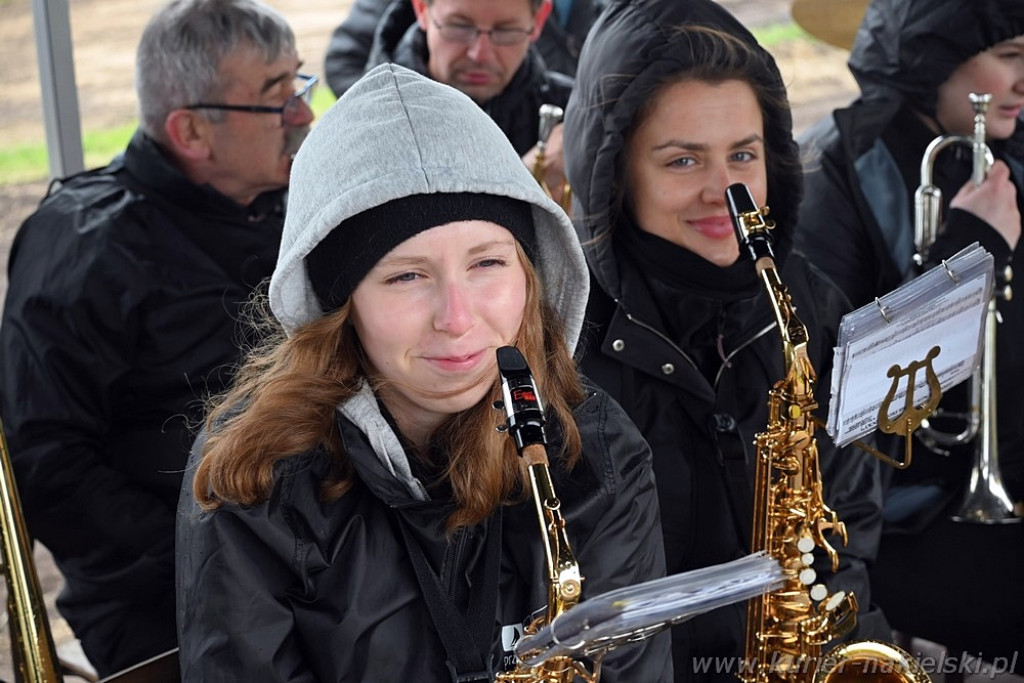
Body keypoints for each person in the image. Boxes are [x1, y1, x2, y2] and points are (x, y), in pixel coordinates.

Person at [175, 63, 671, 682]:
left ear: (532, 274)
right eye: (407, 276)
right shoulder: (256, 480)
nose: (457, 318)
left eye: (488, 263)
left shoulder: (594, 447)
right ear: (341, 306)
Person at [562, 0, 889, 679]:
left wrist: (834, 623)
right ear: (615, 176)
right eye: (684, 161)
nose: (726, 191)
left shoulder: (809, 300)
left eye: (743, 153)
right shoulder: (560, 341)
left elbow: (850, 511)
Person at [0, 0, 313, 675]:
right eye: (277, 99)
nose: (305, 117)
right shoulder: (85, 247)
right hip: (164, 593)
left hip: (320, 551)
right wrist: (221, 548)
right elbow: (51, 466)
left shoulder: (293, 208)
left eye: (301, 86)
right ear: (193, 131)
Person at [795, 0, 1024, 670]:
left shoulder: (1011, 149)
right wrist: (969, 249)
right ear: (934, 58)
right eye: (1009, 57)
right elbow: (846, 401)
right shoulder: (837, 169)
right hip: (909, 517)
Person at [323, 0, 603, 98]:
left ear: (538, 20)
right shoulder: (360, 129)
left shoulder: (571, 118)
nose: (480, 54)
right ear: (421, 9)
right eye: (459, 27)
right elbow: (343, 60)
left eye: (506, 31)